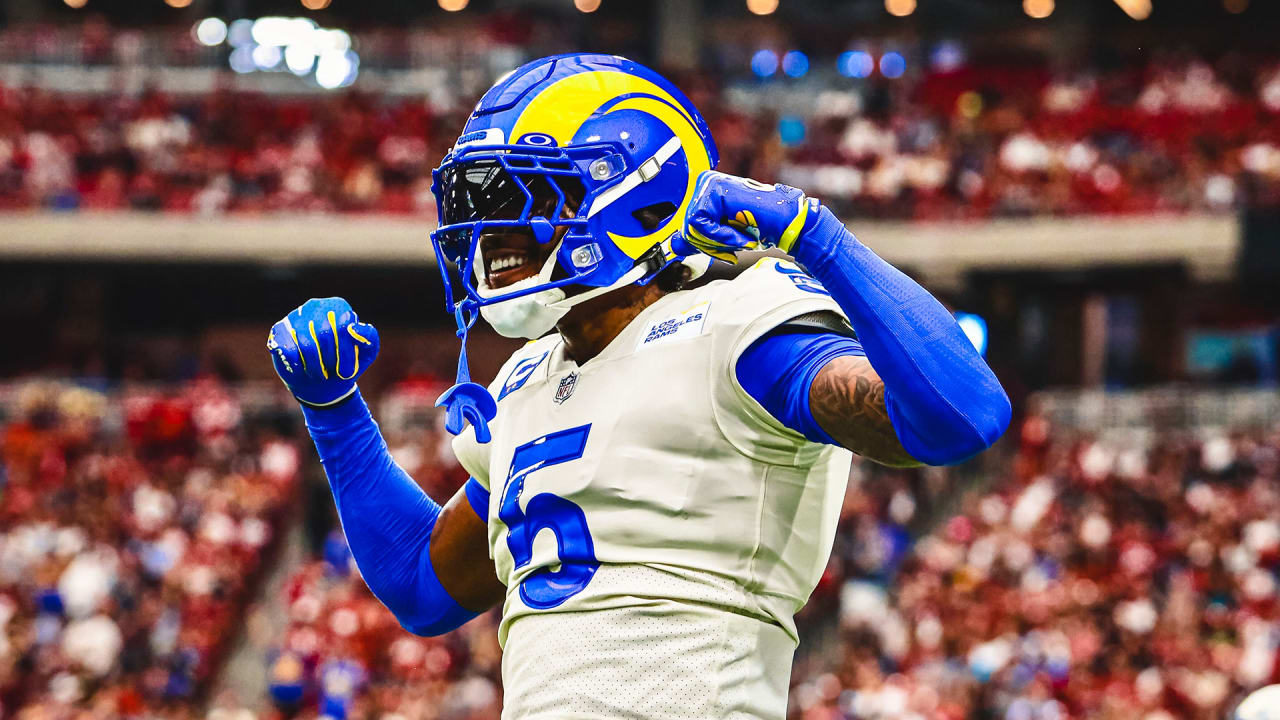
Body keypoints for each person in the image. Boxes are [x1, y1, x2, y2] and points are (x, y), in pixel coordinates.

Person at [266, 53, 1011, 719]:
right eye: (481, 206)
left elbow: (961, 415)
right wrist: (335, 412)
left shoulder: (739, 326)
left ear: (636, 199)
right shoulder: (530, 374)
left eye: (527, 198)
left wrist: (820, 239)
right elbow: (422, 587)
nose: (492, 233)